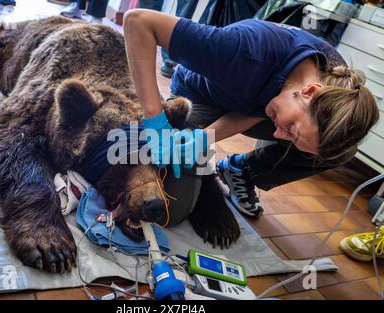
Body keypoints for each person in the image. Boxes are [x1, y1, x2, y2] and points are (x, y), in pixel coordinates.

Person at [123, 9, 379, 221]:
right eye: (290, 129)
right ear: (309, 91)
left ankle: (242, 171)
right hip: (202, 95)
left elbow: (259, 107)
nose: (277, 135)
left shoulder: (336, 84)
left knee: (342, 151)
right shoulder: (240, 49)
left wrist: (206, 137)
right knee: (172, 212)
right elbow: (138, 21)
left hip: (254, 102)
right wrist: (155, 118)